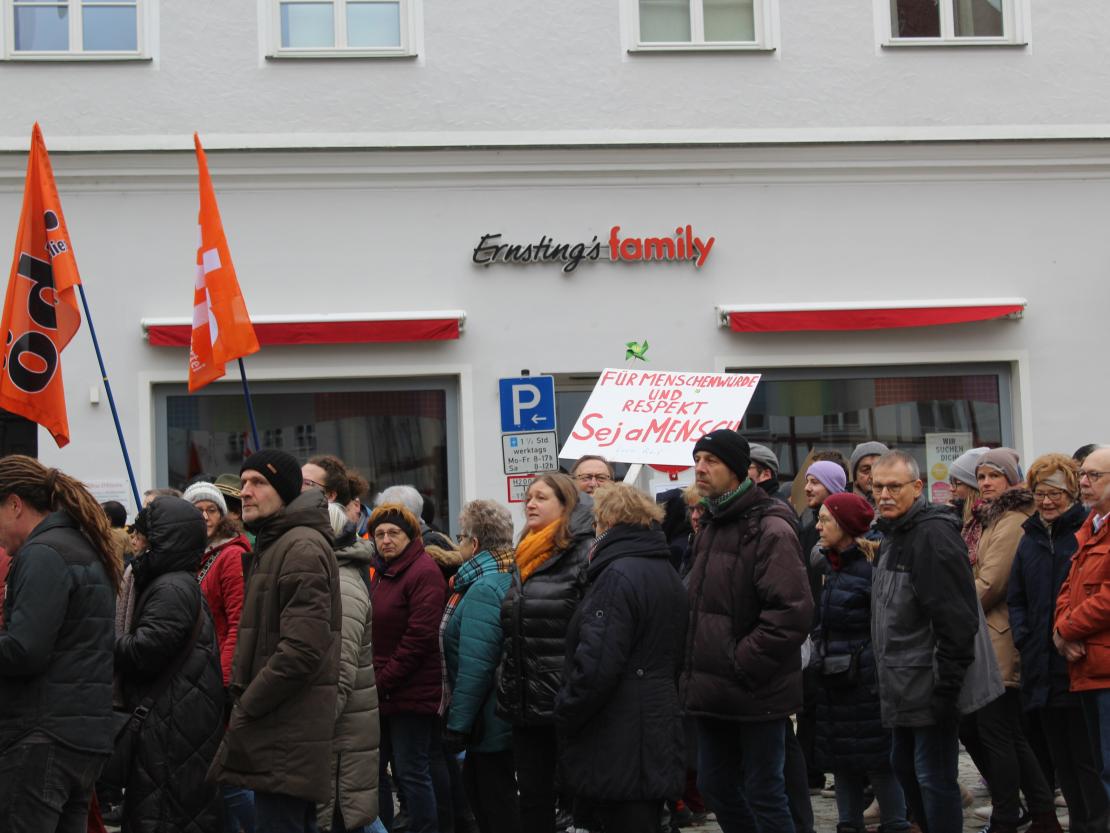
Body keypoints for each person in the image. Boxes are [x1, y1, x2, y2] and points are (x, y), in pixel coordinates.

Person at [679, 430, 812, 833]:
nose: (700, 468)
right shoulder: (712, 525)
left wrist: (741, 662)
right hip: (712, 689)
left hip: (756, 689)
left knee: (765, 791)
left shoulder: (770, 528)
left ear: (737, 471)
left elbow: (792, 611)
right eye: (697, 459)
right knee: (715, 785)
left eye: (711, 461)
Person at [208, 449, 342, 833]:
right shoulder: (277, 542)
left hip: (284, 729)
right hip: (280, 727)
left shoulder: (299, 547)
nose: (245, 491)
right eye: (244, 481)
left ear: (284, 492)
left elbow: (302, 650)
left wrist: (248, 704)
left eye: (258, 482)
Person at [869, 450, 1003, 833]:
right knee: (905, 767)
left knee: (932, 775)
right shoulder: (894, 533)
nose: (884, 494)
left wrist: (947, 688)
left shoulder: (931, 536)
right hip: (904, 683)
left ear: (917, 487)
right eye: (878, 486)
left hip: (930, 682)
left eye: (894, 486)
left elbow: (955, 620)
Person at [555, 482, 688, 833]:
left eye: (596, 521)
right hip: (653, 722)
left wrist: (566, 709)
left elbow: (597, 665)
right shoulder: (663, 570)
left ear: (608, 521)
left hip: (619, 733)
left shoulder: (617, 575)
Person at [0, 457, 121, 833]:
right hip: (79, 735)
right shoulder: (77, 545)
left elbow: (25, 649)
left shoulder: (43, 553)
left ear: (15, 504)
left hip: (41, 735)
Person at [113, 496, 225, 833]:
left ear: (162, 540)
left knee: (163, 816)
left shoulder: (171, 587)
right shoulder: (173, 581)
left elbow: (144, 653)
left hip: (172, 725)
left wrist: (97, 634)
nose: (136, 541)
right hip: (174, 718)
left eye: (144, 535)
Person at [962, 448, 1059, 833]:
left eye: (993, 476)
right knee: (1002, 733)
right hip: (987, 638)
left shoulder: (1013, 520)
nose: (985, 483)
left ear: (1010, 479)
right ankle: (1042, 812)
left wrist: (951, 609)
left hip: (998, 640)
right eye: (981, 477)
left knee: (995, 732)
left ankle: (1007, 814)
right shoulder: (994, 518)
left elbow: (990, 584)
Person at [1010, 454, 1108, 833]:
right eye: (1039, 494)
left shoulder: (1084, 532)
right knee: (1060, 758)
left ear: (1070, 494)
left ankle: (1093, 825)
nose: (1047, 502)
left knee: (1088, 759)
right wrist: (1024, 636)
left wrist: (1065, 632)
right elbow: (1017, 597)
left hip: (1078, 662)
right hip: (1040, 664)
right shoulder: (1030, 537)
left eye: (1055, 494)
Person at [497, 473, 594, 833]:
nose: (530, 504)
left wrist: (576, 685)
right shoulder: (524, 553)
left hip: (565, 701)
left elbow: (591, 628)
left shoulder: (583, 553)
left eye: (541, 497)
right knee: (533, 800)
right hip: (526, 701)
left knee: (574, 801)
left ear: (565, 505)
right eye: (528, 498)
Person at [812, 492, 909, 833]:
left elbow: (885, 624)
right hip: (835, 682)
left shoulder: (871, 567)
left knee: (879, 762)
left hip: (865, 682)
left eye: (825, 520)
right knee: (842, 764)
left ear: (845, 526)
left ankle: (896, 823)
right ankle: (848, 824)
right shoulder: (829, 564)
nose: (818, 526)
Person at [441, 500, 520, 833]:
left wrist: (457, 726)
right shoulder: (511, 573)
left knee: (494, 807)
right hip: (504, 716)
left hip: (489, 722)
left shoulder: (484, 588)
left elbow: (476, 666)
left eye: (460, 536)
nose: (457, 543)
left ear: (473, 544)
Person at [369, 503, 448, 833]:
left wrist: (384, 679)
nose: (386, 540)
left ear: (411, 535)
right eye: (380, 534)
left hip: (411, 690)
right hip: (386, 689)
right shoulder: (385, 571)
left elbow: (419, 636)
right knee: (378, 770)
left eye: (394, 533)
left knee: (411, 770)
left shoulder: (422, 571)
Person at [183, 480, 254, 833]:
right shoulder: (198, 556)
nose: (206, 516)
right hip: (198, 679)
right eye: (198, 510)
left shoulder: (229, 556)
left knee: (230, 776)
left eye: (212, 510)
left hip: (218, 682)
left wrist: (224, 682)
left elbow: (238, 623)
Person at [319, 503, 380, 833]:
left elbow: (338, 673)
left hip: (340, 741)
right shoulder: (328, 577)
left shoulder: (341, 584)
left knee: (350, 818)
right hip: (340, 739)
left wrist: (308, 730)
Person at [1056, 445, 1110, 805]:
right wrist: (1060, 628)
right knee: (1101, 766)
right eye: (1082, 475)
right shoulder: (1088, 526)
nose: (1084, 483)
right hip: (1087, 665)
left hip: (1105, 669)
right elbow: (1068, 587)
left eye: (1094, 476)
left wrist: (1067, 629)